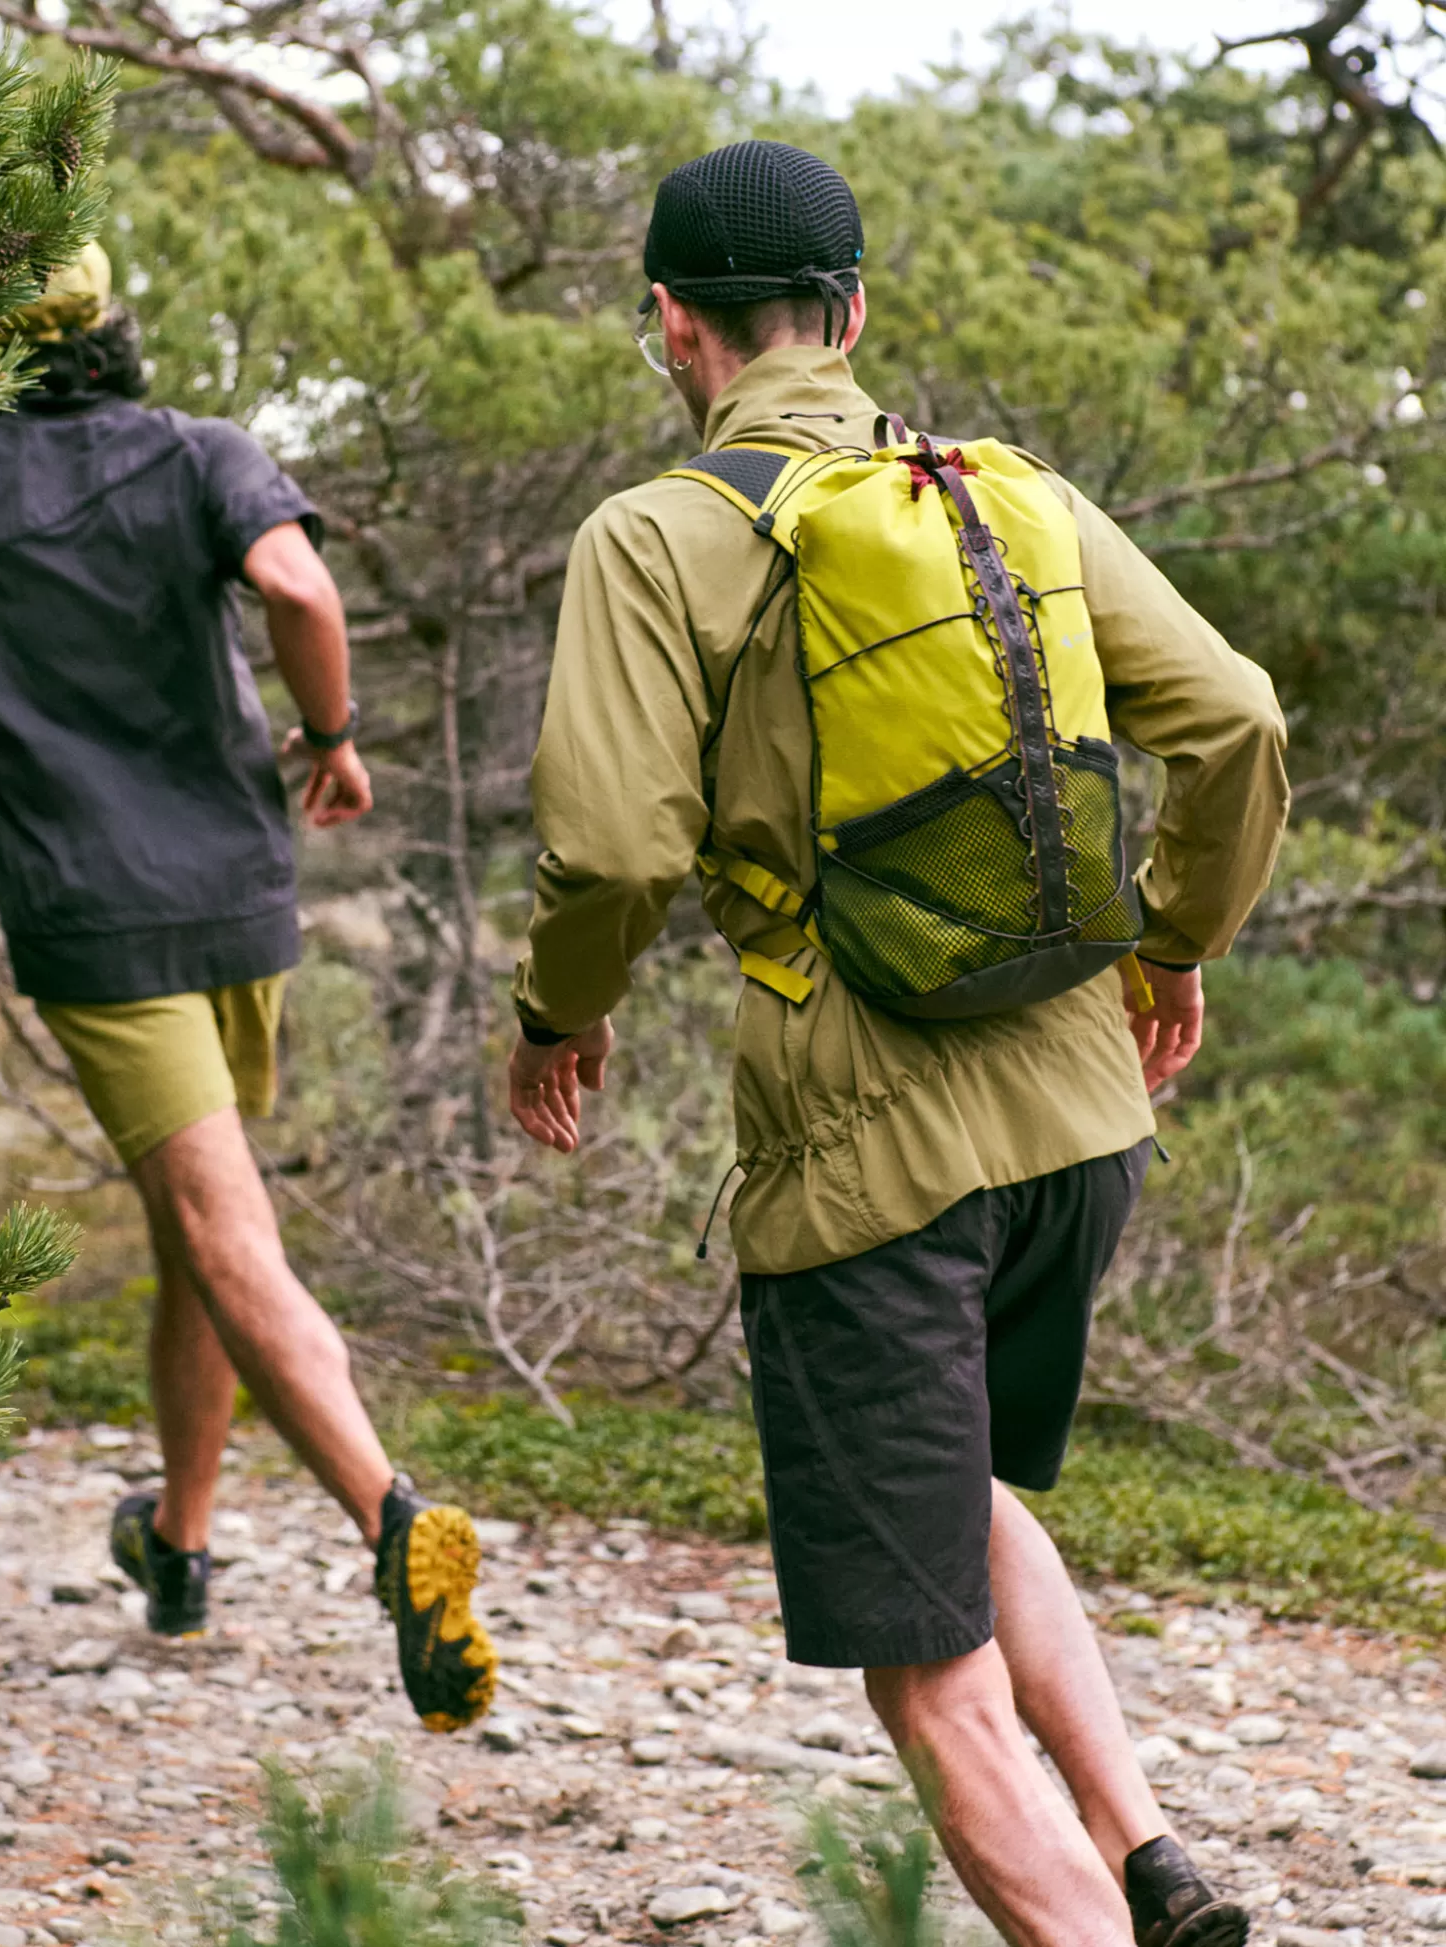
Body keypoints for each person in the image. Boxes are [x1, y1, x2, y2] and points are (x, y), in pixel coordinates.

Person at [508, 143, 1289, 1947]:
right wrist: (1174, 946)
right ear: (852, 314)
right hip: (1081, 1125)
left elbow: (615, 851)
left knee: (926, 1682)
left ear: (671, 329)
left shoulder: (655, 537)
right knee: (978, 1488)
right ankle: (1148, 1848)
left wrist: (561, 1010)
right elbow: (1238, 720)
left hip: (872, 1166)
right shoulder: (1011, 496)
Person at [0, 247, 496, 1733]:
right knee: (197, 1227)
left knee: (222, 1234)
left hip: (99, 914)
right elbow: (293, 582)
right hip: (238, 891)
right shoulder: (201, 451)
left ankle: (396, 1520)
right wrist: (332, 732)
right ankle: (183, 1547)